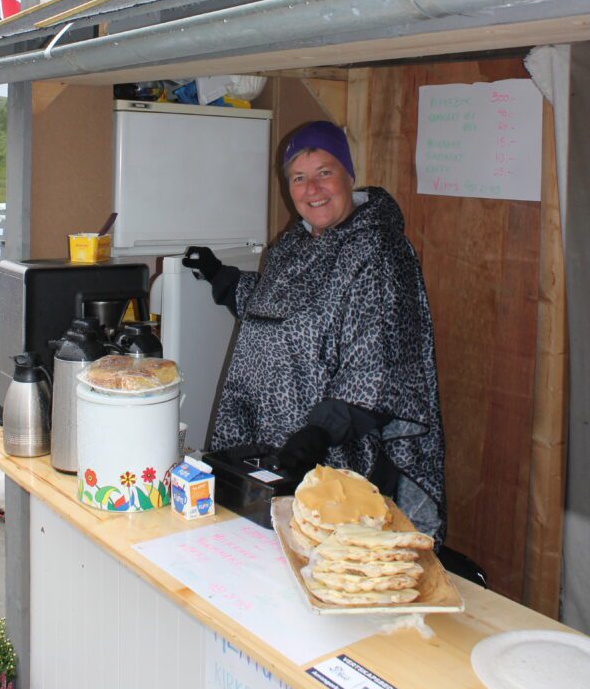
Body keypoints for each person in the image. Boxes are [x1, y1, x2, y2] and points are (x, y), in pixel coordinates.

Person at [183, 120, 446, 545]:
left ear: (349, 175)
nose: (312, 188)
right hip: (266, 446)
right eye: (299, 178)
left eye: (324, 172)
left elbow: (379, 362)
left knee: (321, 562)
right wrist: (219, 276)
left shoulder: (377, 251)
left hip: (332, 460)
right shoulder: (294, 243)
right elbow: (277, 310)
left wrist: (318, 433)